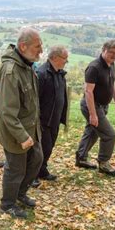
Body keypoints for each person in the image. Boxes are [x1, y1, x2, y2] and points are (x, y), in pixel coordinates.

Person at [0, 27, 44, 219]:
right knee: (16, 168)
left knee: (36, 160)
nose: (40, 50)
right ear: (23, 46)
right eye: (37, 46)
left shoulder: (27, 65)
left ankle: (20, 194)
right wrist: (22, 136)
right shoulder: (11, 71)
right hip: (15, 132)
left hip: (31, 128)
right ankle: (7, 204)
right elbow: (7, 112)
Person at [75, 39, 115, 177]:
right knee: (109, 135)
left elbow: (112, 83)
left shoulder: (111, 64)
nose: (114, 55)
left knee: (92, 132)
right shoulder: (94, 67)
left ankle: (81, 158)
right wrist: (93, 114)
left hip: (103, 106)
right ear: (103, 50)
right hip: (92, 105)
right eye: (111, 52)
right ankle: (104, 163)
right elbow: (88, 92)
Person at [32, 46, 69, 188]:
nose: (66, 62)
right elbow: (35, 100)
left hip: (55, 119)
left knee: (50, 146)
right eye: (64, 59)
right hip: (43, 120)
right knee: (42, 149)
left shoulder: (59, 73)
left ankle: (42, 170)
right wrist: (37, 119)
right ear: (55, 58)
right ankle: (33, 175)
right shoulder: (41, 73)